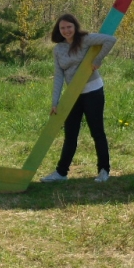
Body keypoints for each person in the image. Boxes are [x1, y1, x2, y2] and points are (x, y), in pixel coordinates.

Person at [41, 13, 116, 184]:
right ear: (58, 30)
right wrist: (55, 102)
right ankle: (61, 173)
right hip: (72, 95)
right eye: (63, 28)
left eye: (69, 27)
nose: (66, 30)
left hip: (93, 91)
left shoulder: (85, 40)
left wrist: (98, 59)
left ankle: (104, 170)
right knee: (70, 135)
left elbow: (111, 40)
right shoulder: (58, 49)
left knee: (97, 132)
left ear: (75, 27)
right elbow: (59, 76)